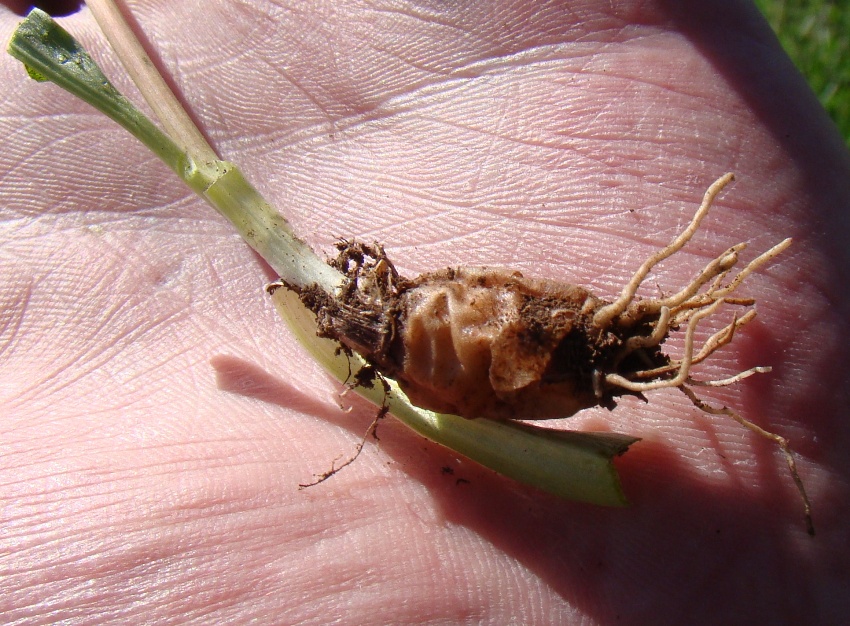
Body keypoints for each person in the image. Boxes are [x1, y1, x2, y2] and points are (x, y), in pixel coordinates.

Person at [1, 1, 847, 622]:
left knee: (547, 339)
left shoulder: (423, 333)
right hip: (402, 332)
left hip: (405, 335)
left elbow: (479, 338)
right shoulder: (412, 329)